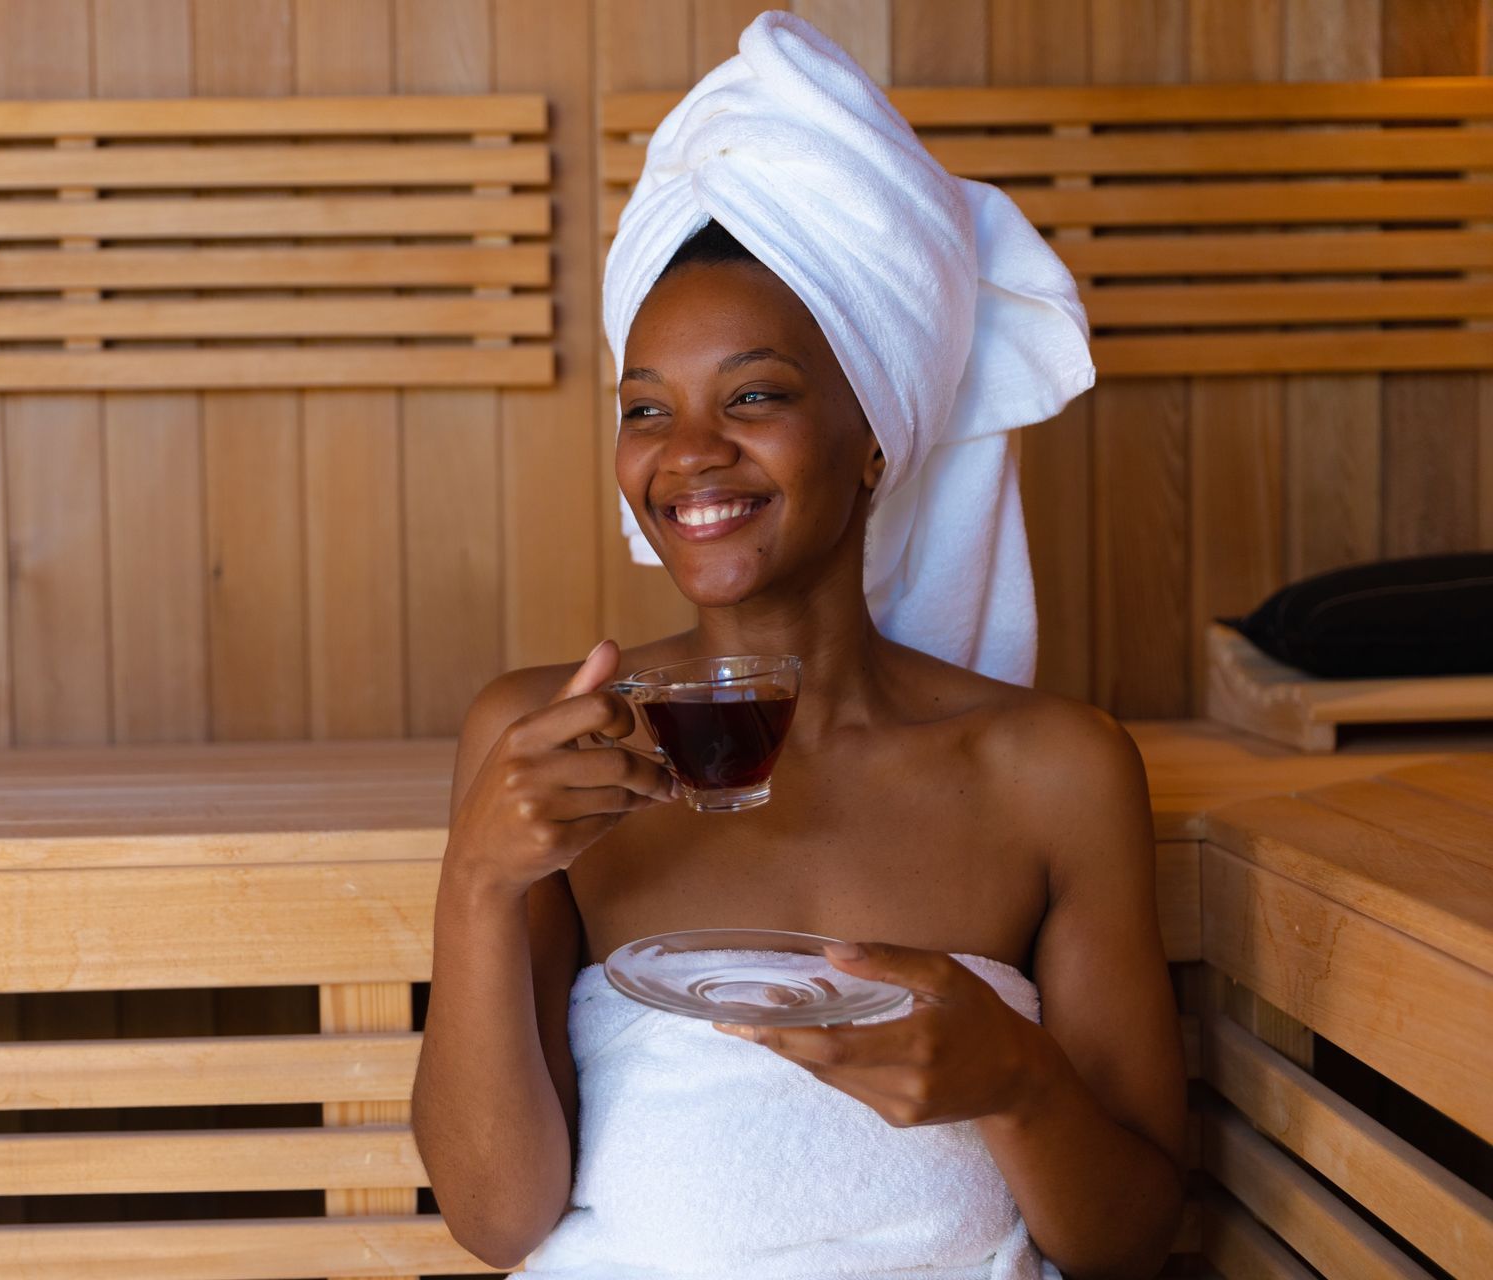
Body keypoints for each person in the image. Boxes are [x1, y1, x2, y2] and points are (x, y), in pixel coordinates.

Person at [412, 12, 1186, 1279]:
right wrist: (480, 879)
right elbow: (499, 1222)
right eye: (646, 409)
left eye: (755, 395)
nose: (689, 453)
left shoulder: (1053, 771)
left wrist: (1020, 1080)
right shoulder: (545, 743)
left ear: (875, 431)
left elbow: (1132, 1241)